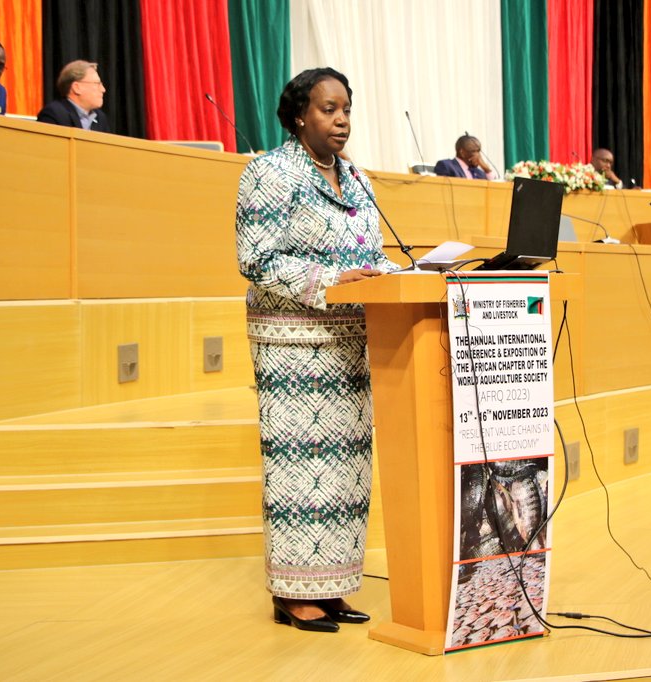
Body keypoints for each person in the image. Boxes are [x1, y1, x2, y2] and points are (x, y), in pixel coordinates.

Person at [235, 67, 398, 634]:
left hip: (353, 343)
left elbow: (370, 256)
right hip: (293, 345)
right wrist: (327, 282)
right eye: (329, 109)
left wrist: (403, 276)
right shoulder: (268, 172)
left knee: (347, 470)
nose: (342, 119)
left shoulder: (356, 178)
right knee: (300, 468)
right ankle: (292, 593)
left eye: (347, 108)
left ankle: (333, 588)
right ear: (300, 114)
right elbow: (257, 258)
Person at [37, 60, 110, 133]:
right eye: (97, 84)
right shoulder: (54, 114)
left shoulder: (100, 118)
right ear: (77, 88)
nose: (103, 89)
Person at [434, 135, 498, 180]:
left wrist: (487, 170)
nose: (478, 156)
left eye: (478, 151)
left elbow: (494, 187)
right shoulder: (446, 166)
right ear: (462, 152)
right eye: (474, 151)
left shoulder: (479, 173)